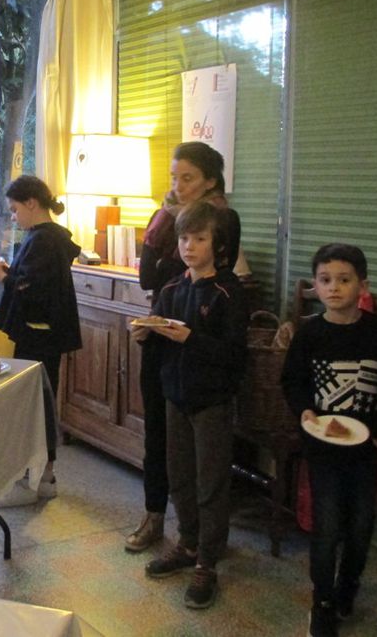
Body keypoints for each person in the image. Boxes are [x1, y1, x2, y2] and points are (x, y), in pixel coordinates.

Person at [282, 244, 377, 637]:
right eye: (325, 280)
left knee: (360, 526)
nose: (334, 288)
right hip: (322, 448)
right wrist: (305, 410)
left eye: (344, 280)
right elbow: (292, 380)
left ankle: (348, 587)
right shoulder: (310, 333)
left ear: (363, 285)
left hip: (366, 449)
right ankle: (322, 601)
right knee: (326, 526)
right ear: (316, 286)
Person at [126, 141, 242, 553]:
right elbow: (148, 275)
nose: (177, 186)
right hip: (163, 329)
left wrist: (170, 231)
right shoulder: (169, 217)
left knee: (203, 462)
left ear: (210, 180)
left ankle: (201, 544)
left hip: (199, 343)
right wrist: (164, 215)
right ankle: (156, 516)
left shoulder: (222, 219)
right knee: (158, 434)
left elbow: (205, 271)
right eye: (174, 177)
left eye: (187, 178)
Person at [136, 200, 247, 610]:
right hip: (175, 395)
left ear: (217, 245)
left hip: (212, 400)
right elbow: (159, 339)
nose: (189, 246)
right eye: (184, 238)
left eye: (199, 239)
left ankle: (208, 561)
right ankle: (187, 544)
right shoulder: (171, 288)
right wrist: (145, 334)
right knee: (179, 474)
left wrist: (190, 339)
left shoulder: (228, 292)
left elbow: (234, 355)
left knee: (210, 480)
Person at [0, 175, 81, 505]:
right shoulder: (47, 238)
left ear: (31, 203)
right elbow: (33, 280)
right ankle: (42, 476)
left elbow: (32, 289)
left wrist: (1, 276)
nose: (13, 216)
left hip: (40, 336)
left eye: (14, 209)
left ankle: (37, 478)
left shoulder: (44, 240)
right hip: (43, 334)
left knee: (37, 405)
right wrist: (7, 270)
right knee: (40, 402)